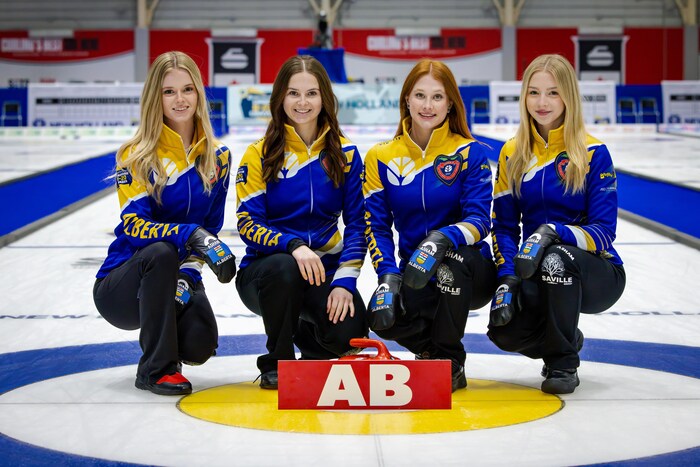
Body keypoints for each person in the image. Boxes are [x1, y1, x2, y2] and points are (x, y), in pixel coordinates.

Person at [93, 51, 236, 396]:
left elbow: (210, 227)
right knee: (160, 251)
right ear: (155, 97)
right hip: (123, 286)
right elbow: (136, 227)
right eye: (168, 91)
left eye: (187, 89)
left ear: (199, 94)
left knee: (200, 344)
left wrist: (186, 278)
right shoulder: (136, 154)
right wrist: (191, 233)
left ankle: (174, 342)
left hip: (175, 274)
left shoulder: (218, 158)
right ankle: (155, 369)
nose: (180, 99)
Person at [487, 54, 626, 394]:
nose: (542, 102)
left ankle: (563, 363)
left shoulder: (593, 152)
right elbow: (504, 227)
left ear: (568, 96)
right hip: (532, 266)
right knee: (503, 329)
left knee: (556, 257)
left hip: (597, 272)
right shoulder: (512, 153)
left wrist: (553, 233)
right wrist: (507, 276)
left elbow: (604, 233)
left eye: (553, 92)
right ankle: (565, 338)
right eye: (533, 92)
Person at [363, 59, 497, 392]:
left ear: (451, 103)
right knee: (382, 317)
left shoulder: (470, 153)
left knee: (450, 263)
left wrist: (441, 239)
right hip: (414, 273)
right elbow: (376, 226)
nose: (427, 105)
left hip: (469, 270)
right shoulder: (381, 157)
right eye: (419, 95)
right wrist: (389, 276)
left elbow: (481, 220)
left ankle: (450, 361)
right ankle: (432, 351)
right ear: (406, 99)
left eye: (437, 97)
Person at [235, 55, 367, 389]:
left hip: (323, 271)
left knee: (349, 334)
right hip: (267, 274)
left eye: (311, 93)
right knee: (285, 268)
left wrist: (345, 281)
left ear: (324, 99)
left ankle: (310, 340)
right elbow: (248, 224)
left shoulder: (345, 155)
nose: (302, 102)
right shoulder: (260, 154)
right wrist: (293, 246)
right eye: (294, 93)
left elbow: (356, 225)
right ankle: (276, 361)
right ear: (280, 98)